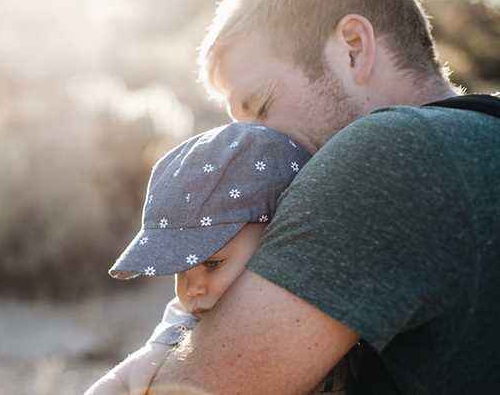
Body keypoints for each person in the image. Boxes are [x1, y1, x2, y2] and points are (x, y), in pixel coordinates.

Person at [145, 0, 500, 394]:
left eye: (261, 106)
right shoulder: (480, 139)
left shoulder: (388, 152)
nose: (250, 145)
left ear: (353, 46)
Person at [86, 122, 356, 394]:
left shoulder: (325, 290)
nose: (192, 289)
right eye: (180, 270)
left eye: (212, 264)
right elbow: (138, 369)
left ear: (276, 234)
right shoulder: (190, 318)